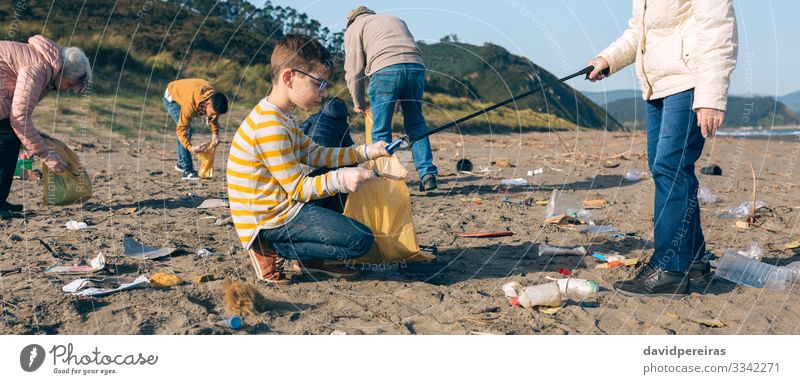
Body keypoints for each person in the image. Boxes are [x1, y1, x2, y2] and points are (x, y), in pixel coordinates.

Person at [587, 0, 737, 297]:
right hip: (658, 85)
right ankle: (693, 257)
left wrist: (710, 96)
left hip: (689, 82)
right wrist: (607, 59)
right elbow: (640, 33)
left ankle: (669, 269)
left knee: (671, 167)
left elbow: (719, 31)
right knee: (664, 167)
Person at [226, 34, 389, 285]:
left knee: (342, 168)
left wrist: (369, 151)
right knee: (360, 240)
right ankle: (269, 247)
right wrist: (343, 179)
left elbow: (317, 154)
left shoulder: (282, 115)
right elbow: (299, 189)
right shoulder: (270, 126)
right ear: (289, 77)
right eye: (319, 84)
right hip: (269, 219)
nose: (323, 94)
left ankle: (308, 258)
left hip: (282, 203)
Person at [344, 6, 439, 191]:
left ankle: (385, 178)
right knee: (416, 123)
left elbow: (354, 71)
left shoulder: (354, 27)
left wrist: (358, 103)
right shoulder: (394, 19)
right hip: (416, 67)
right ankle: (427, 173)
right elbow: (401, 58)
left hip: (385, 70)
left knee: (380, 131)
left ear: (351, 20)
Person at [0, 35, 91, 219]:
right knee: (8, 139)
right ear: (64, 72)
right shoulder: (38, 68)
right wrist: (46, 155)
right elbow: (19, 117)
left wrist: (37, 139)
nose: (68, 90)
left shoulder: (47, 65)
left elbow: (21, 115)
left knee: (10, 137)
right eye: (71, 84)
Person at [163, 78, 228, 180]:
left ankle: (181, 163)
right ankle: (187, 170)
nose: (214, 117)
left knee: (187, 128)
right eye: (212, 114)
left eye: (217, 115)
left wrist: (215, 134)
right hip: (172, 98)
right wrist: (191, 148)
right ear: (207, 104)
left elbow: (213, 116)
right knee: (186, 129)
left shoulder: (213, 98)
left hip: (187, 92)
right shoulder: (191, 103)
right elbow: (180, 130)